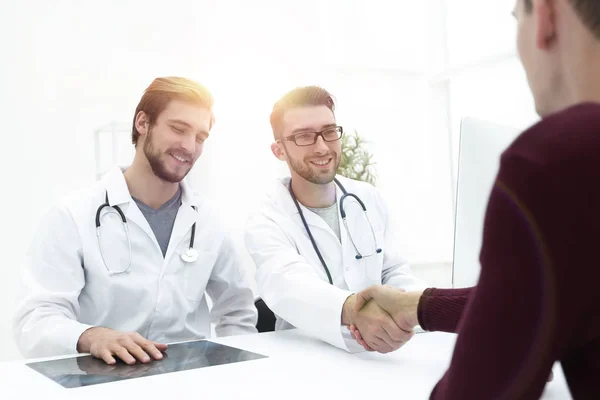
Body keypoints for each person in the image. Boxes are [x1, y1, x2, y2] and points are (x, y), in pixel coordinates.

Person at [350, 0, 600, 398]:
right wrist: (415, 306)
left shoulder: (558, 160)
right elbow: (528, 301)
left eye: (517, 18)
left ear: (546, 15)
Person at [13, 77, 258, 364]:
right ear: (143, 123)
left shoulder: (209, 221)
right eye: (179, 129)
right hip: (104, 381)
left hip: (190, 383)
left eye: (200, 137)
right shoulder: (73, 215)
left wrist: (231, 374)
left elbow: (237, 312)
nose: (190, 147)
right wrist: (92, 336)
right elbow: (35, 319)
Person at [244, 86, 426, 354]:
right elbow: (287, 284)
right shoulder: (266, 215)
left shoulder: (368, 197)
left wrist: (423, 307)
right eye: (304, 136)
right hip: (305, 357)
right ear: (279, 150)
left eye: (329, 132)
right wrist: (353, 310)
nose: (322, 147)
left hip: (380, 353)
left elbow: (395, 272)